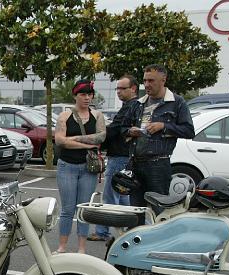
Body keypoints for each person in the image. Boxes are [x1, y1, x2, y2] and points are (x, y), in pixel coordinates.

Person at [123, 64, 194, 208]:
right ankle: (137, 231)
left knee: (158, 209)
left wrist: (163, 126)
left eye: (151, 80)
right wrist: (131, 131)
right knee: (135, 210)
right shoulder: (138, 104)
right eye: (145, 80)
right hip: (135, 163)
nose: (147, 84)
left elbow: (188, 131)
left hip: (158, 165)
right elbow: (122, 128)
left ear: (163, 80)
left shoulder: (177, 102)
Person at [54, 79, 107, 254]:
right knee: (68, 209)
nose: (87, 98)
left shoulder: (97, 116)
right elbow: (60, 141)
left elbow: (100, 138)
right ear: (75, 95)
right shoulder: (65, 116)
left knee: (84, 208)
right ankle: (62, 246)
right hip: (67, 165)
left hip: (88, 168)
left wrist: (74, 139)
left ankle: (81, 248)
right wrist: (86, 144)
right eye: (83, 94)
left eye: (89, 94)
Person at [90, 75, 139, 241]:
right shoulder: (132, 106)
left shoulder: (130, 107)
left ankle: (103, 231)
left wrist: (98, 138)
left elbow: (115, 129)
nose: (118, 92)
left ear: (133, 89)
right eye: (117, 88)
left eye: (122, 88)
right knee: (124, 195)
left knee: (110, 196)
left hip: (119, 156)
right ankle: (131, 228)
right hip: (125, 155)